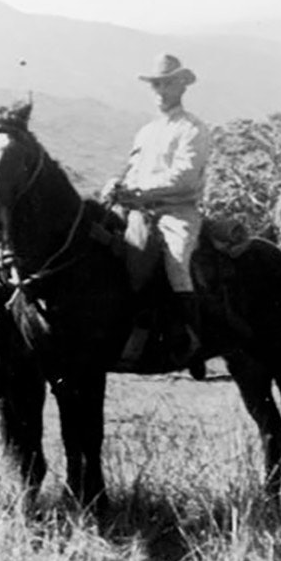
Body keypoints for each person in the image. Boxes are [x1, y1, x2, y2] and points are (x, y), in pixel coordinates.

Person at [100, 53, 213, 371]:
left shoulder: (193, 129)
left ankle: (191, 337)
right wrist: (117, 183)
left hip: (176, 211)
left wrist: (138, 191)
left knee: (177, 261)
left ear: (181, 85)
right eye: (156, 84)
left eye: (167, 83)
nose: (161, 90)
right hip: (136, 211)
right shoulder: (147, 131)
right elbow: (132, 169)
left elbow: (184, 177)